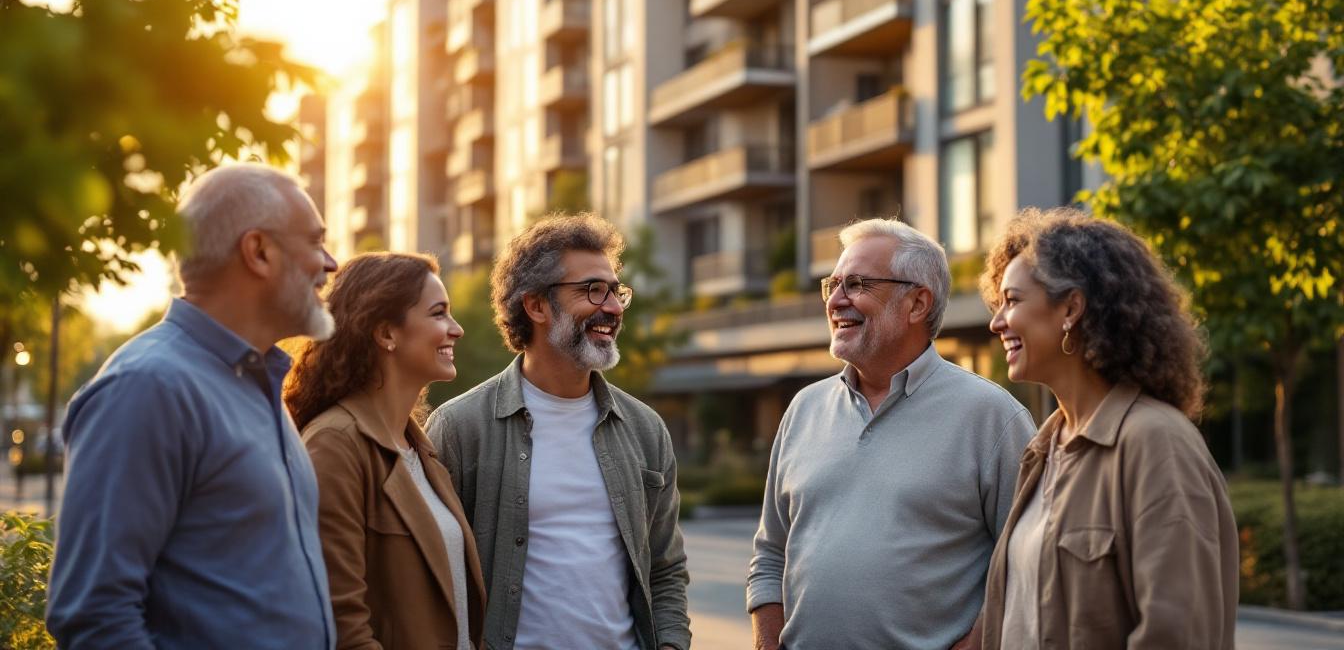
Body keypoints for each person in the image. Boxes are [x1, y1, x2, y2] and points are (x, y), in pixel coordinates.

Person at [47, 164, 338, 649]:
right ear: (259, 251)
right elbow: (94, 617)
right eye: (315, 242)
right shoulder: (147, 388)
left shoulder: (258, 383)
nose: (331, 263)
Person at [747, 218, 1035, 650]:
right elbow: (770, 555)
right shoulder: (804, 409)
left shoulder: (994, 417)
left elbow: (1026, 565)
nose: (836, 301)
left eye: (857, 284)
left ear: (917, 304)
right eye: (833, 285)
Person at [426, 213, 690, 650]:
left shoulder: (645, 429)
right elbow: (431, 578)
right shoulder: (460, 428)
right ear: (536, 306)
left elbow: (665, 569)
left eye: (616, 291)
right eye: (593, 290)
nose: (613, 307)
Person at [976, 207, 1237, 649]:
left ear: (1071, 308)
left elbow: (1178, 635)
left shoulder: (1155, 442)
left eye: (1013, 301)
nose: (996, 322)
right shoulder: (1042, 451)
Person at [284, 252, 486, 649]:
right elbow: (341, 624)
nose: (457, 328)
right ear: (386, 333)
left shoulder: (421, 450)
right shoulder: (335, 444)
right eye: (438, 313)